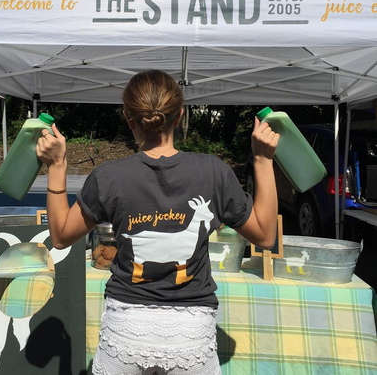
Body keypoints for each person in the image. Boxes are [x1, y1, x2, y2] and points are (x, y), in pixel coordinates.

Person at [36, 70, 279, 375]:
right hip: (191, 332)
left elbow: (59, 237)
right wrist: (263, 160)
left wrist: (57, 165)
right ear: (179, 116)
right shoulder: (214, 172)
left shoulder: (109, 176)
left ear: (128, 118)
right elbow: (266, 237)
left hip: (126, 328)